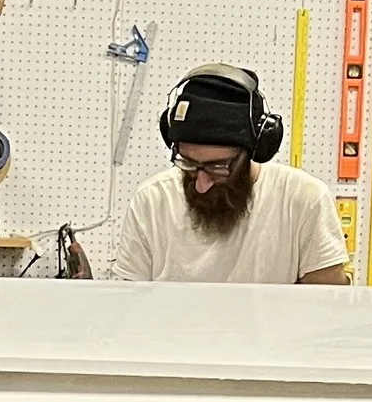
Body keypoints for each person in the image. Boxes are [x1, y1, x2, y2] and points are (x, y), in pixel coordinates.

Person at [110, 63, 350, 285]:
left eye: (218, 167)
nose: (202, 184)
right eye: (189, 164)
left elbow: (326, 308)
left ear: (255, 150)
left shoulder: (303, 200)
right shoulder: (152, 201)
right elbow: (128, 308)